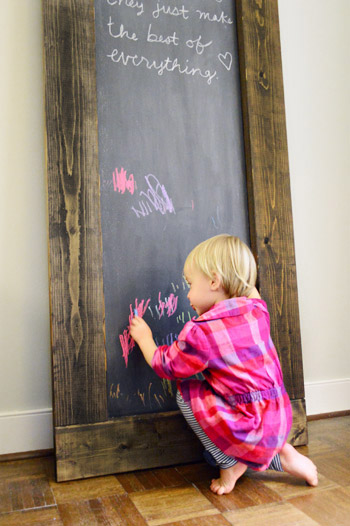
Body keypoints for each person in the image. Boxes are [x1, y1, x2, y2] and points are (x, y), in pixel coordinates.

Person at [130, 234, 318, 495]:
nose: (187, 293)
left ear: (214, 281)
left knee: (187, 393)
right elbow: (249, 289)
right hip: (280, 417)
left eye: (190, 284)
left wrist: (145, 339)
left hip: (249, 422)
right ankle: (284, 455)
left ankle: (228, 464)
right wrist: (238, 271)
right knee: (241, 402)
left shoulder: (202, 331)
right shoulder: (257, 309)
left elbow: (167, 366)